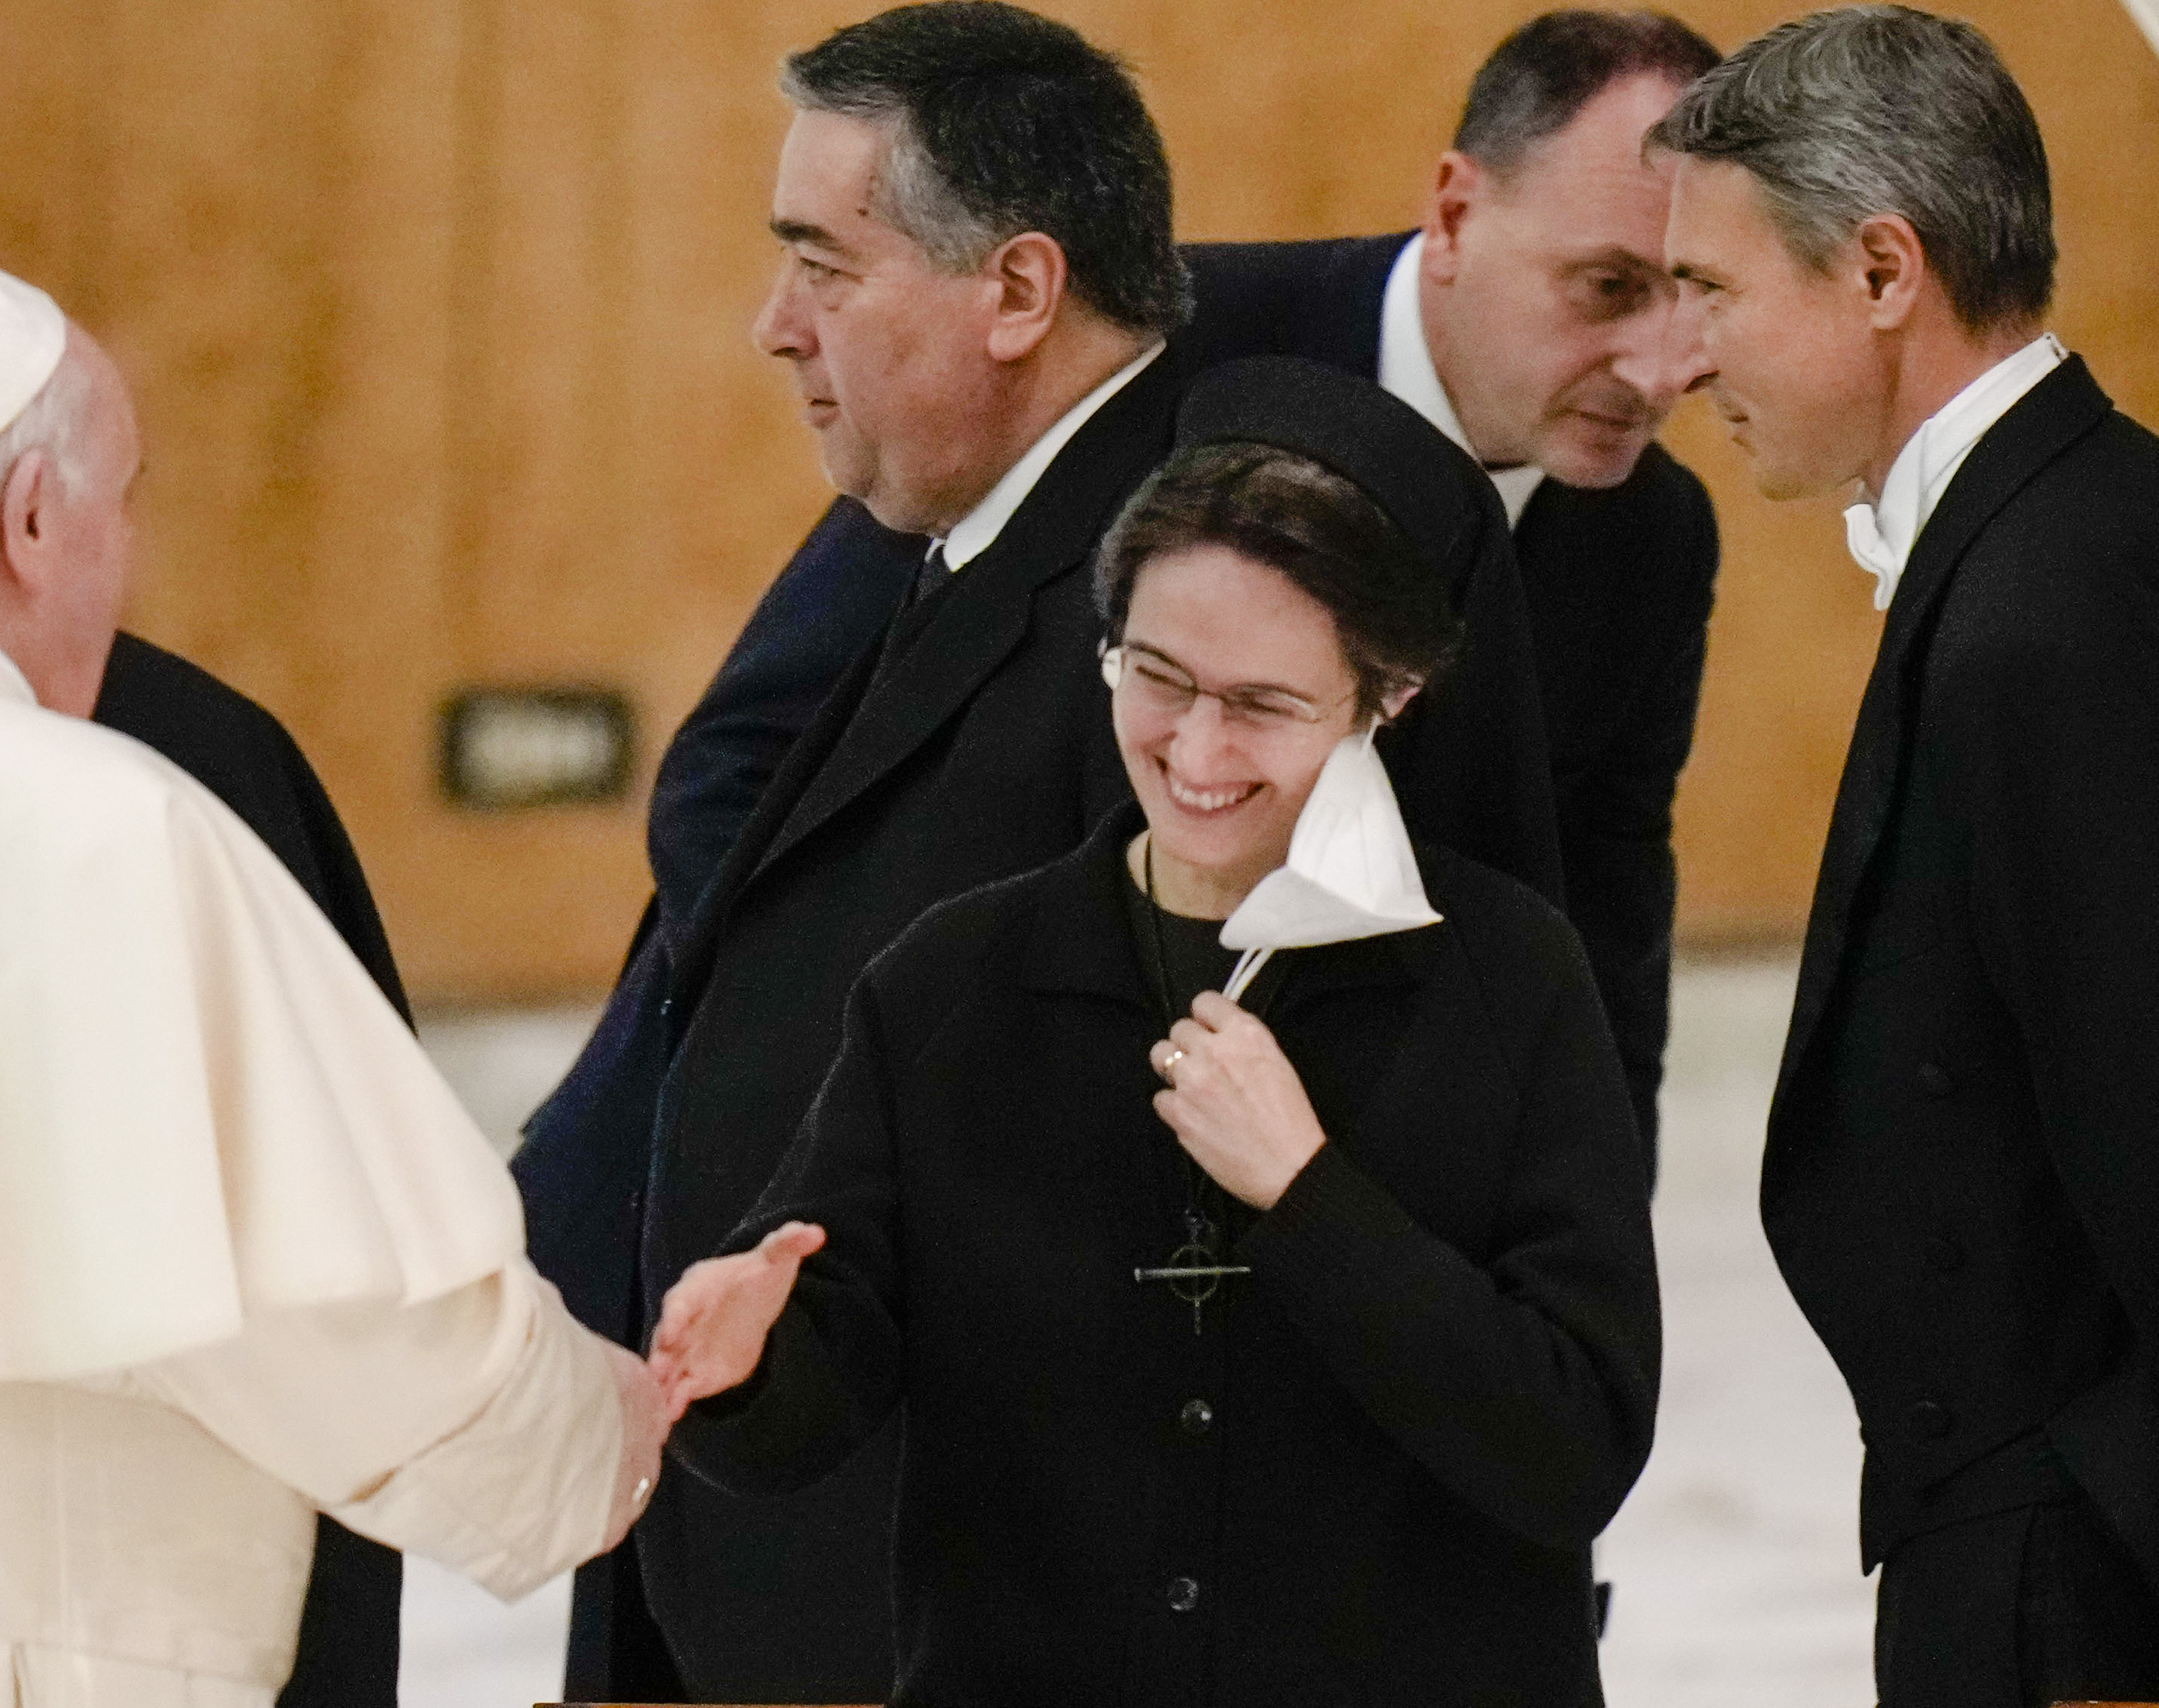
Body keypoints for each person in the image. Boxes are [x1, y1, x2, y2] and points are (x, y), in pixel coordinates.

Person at [515, 6, 1568, 1696]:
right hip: (786, 1526)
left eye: (823, 267)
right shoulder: (964, 529)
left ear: (1017, 290)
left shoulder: (1198, 601)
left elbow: (1291, 1179)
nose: (773, 328)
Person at [647, 356, 1658, 1708]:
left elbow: (1573, 1445)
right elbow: (816, 1387)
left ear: (1390, 696)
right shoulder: (952, 983)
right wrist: (744, 1359)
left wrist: (1306, 1195)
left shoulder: (1510, 982)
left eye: (1263, 705)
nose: (1195, 749)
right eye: (1158, 677)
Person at [0, 258, 666, 1707]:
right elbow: (333, 1309)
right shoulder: (95, 826)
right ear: (36, 518)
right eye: (123, 500)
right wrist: (606, 1435)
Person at [1655, 9, 2159, 1701]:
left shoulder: (2046, 614)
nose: (1681, 361)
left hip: (2099, 1580)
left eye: (1716, 293)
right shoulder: (2120, 520)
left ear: (1884, 269)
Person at [1176, 9, 1723, 1158]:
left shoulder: (1654, 537)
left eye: (1702, 293)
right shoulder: (1171, 355)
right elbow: (785, 738)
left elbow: (1606, 907)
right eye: (1611, 287)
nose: (1664, 371)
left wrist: (1595, 1224)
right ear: (1457, 212)